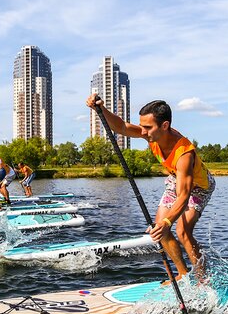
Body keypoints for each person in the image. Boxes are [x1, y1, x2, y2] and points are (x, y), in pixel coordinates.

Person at [86, 94, 215, 278]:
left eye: (148, 127)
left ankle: (203, 279)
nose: (143, 132)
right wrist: (101, 109)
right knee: (158, 229)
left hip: (199, 186)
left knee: (182, 231)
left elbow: (184, 196)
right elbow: (121, 126)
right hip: (175, 179)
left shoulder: (184, 154)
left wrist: (168, 221)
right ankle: (182, 274)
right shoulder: (151, 135)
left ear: (165, 125)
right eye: (142, 126)